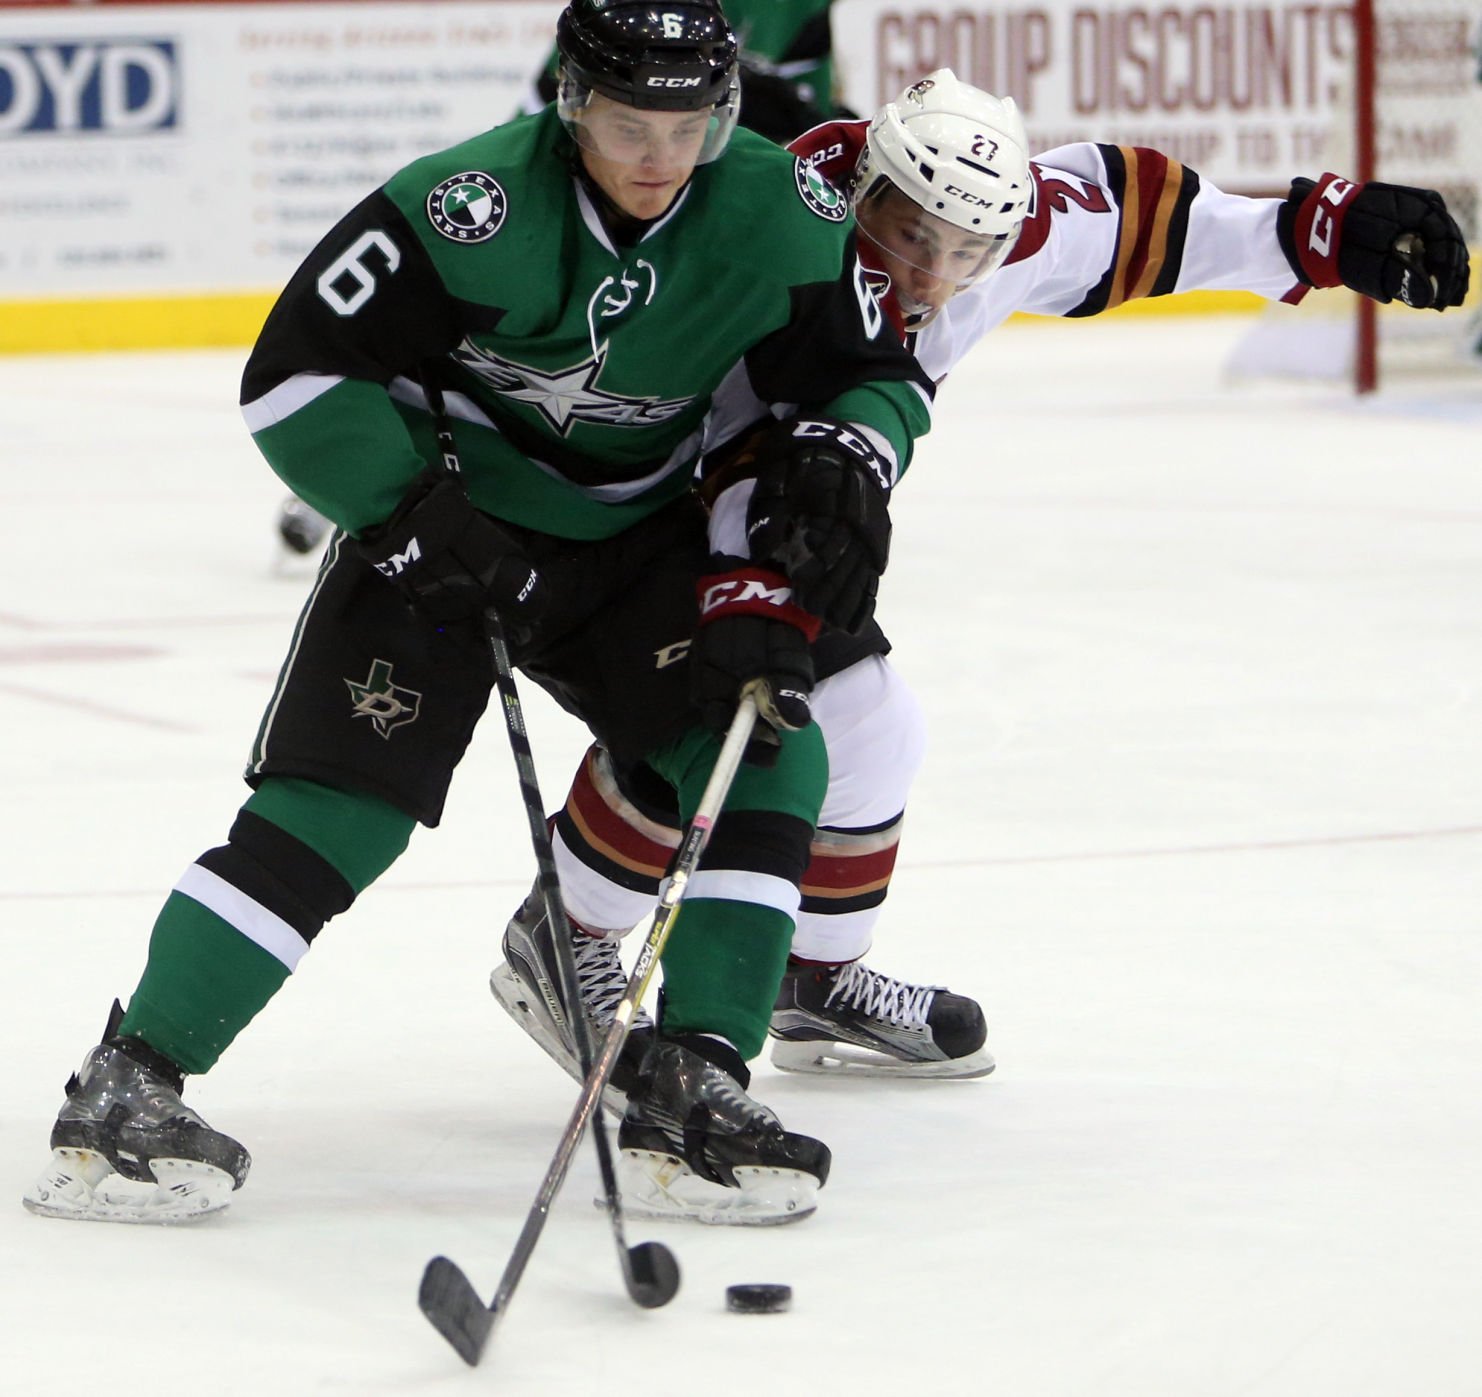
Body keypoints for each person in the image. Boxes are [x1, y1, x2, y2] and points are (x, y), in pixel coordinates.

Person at [22, 0, 934, 1229]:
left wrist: (843, 456)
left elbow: (869, 373)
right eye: (628, 123)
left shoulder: (786, 210)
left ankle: (696, 1079)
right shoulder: (468, 206)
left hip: (637, 547)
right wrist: (406, 512)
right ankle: (128, 1082)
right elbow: (292, 375)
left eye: (690, 125)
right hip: (450, 539)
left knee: (765, 746)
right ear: (569, 101)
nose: (661, 156)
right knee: (338, 811)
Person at [491, 68, 1471, 1095]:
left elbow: (1138, 218)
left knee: (870, 725)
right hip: (640, 501)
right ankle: (564, 937)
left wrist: (1318, 226)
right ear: (867, 192)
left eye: (969, 254)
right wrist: (762, 552)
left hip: (803, 487)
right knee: (717, 718)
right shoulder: (780, 232)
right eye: (914, 239)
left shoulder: (1006, 224)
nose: (935, 275)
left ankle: (809, 974)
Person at [273, 1, 854, 561]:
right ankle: (356, 469)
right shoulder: (605, 36)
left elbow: (811, 107)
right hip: (581, 199)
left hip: (694, 182)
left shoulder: (798, 6)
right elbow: (545, 123)